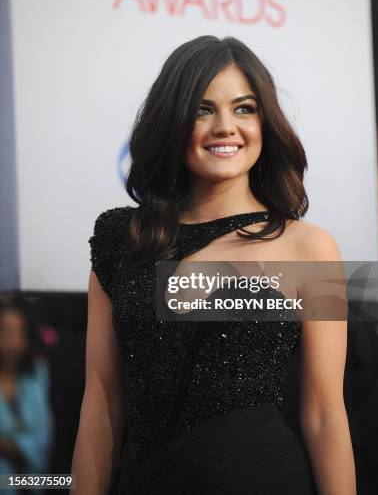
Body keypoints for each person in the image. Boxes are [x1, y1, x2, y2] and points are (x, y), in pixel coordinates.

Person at [71, 35, 356, 494]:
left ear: (265, 121)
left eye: (244, 108)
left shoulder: (311, 248)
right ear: (173, 121)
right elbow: (101, 402)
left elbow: (325, 413)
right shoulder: (121, 238)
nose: (226, 126)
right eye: (203, 109)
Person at [0, 295, 53, 495]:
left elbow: (44, 435)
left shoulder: (38, 375)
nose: (11, 341)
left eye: (18, 332)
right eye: (4, 331)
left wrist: (10, 445)